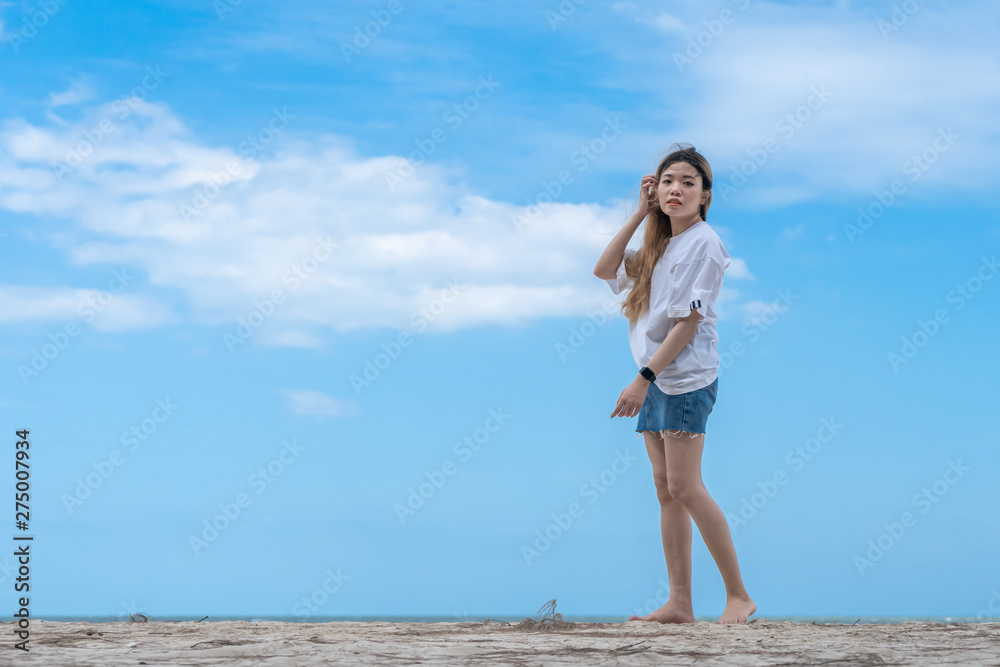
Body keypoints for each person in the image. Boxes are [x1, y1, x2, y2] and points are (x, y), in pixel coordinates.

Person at [593, 144, 756, 625]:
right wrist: (640, 215)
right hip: (657, 378)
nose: (676, 189)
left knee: (686, 486)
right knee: (666, 490)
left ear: (705, 195)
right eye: (667, 182)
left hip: (682, 379)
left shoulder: (705, 243)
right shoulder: (660, 245)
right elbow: (604, 270)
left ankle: (738, 596)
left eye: (688, 182)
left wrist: (642, 380)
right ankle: (680, 603)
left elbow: (687, 324)